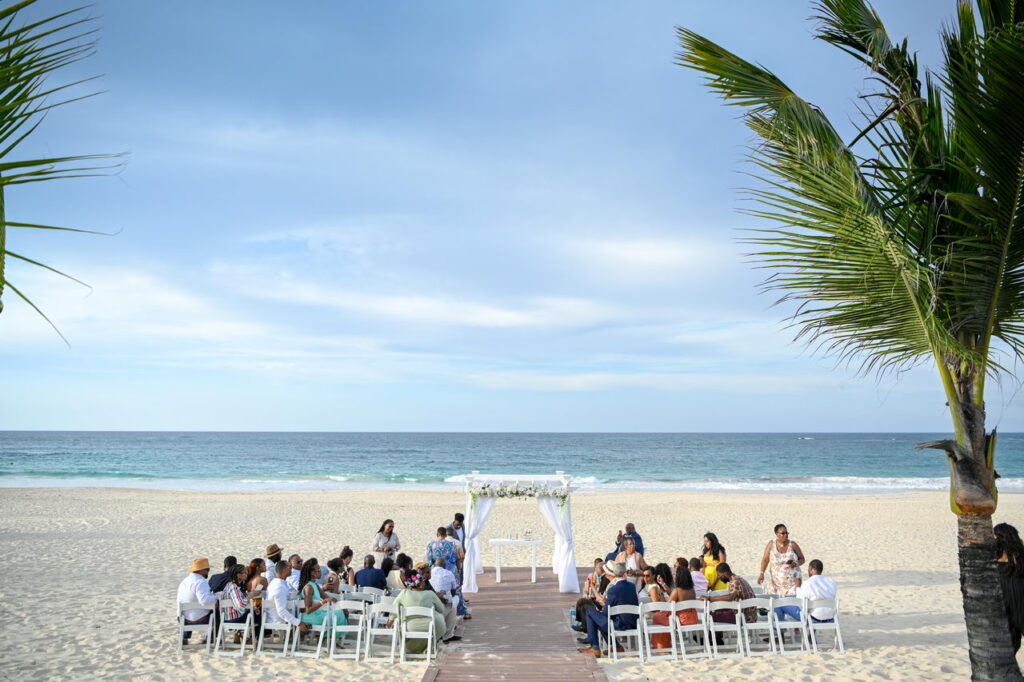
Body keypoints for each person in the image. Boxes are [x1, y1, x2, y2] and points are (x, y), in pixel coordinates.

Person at [578, 561, 639, 657]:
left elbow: (606, 613)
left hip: (620, 624)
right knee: (598, 619)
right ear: (624, 573)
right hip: (634, 622)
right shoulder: (632, 586)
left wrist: (602, 607)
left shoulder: (613, 589)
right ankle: (617, 647)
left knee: (590, 613)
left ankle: (595, 647)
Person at [392, 569, 446, 654]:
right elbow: (441, 609)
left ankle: (417, 648)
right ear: (420, 584)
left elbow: (393, 608)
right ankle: (430, 647)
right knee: (439, 617)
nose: (424, 582)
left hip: (408, 629)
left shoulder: (404, 593)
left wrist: (390, 620)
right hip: (428, 629)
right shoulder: (430, 594)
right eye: (423, 580)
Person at [651, 563, 699, 650]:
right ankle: (663, 645)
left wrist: (661, 595)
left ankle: (661, 646)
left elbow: (668, 606)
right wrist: (663, 584)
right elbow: (675, 596)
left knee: (657, 617)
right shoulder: (692, 591)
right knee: (663, 618)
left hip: (681, 621)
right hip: (693, 619)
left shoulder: (677, 590)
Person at [996, 522, 1024, 653]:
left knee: (1011, 642)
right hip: (1016, 599)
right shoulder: (1020, 555)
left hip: (1009, 601)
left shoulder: (996, 555)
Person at [177, 557, 218, 644]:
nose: (208, 571)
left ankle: (184, 637)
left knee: (190, 609)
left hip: (183, 620)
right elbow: (204, 601)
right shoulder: (201, 581)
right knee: (218, 611)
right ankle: (210, 638)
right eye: (207, 569)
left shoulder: (184, 582)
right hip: (199, 619)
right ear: (201, 570)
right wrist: (217, 598)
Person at [298, 558, 345, 630]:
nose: (321, 572)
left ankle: (332, 638)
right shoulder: (309, 587)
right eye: (319, 570)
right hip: (311, 617)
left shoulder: (315, 585)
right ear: (312, 572)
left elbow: (326, 597)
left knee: (341, 611)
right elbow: (308, 610)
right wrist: (323, 602)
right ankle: (332, 639)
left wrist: (339, 604)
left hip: (317, 614)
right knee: (338, 614)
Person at [759, 523, 804, 596]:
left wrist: (795, 563)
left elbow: (802, 559)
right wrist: (761, 573)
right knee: (776, 604)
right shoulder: (771, 544)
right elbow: (765, 560)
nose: (786, 535)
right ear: (776, 534)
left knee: (792, 603)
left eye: (787, 533)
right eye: (783, 533)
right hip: (776, 583)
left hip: (793, 583)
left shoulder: (792, 544)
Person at [265, 560, 309, 633]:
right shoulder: (279, 587)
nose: (292, 570)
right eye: (290, 567)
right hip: (278, 620)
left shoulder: (275, 582)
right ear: (284, 570)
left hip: (274, 617)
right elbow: (281, 612)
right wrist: (298, 623)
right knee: (310, 617)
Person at [430, 557, 464, 642]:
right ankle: (448, 635)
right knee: (454, 602)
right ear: (444, 565)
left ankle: (444, 632)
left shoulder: (429, 573)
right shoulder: (449, 573)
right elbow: (453, 591)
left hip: (431, 603)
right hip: (441, 605)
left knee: (450, 602)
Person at [245, 558, 267, 623]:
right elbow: (257, 592)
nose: (266, 566)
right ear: (258, 568)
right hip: (259, 609)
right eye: (264, 564)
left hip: (250, 608)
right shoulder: (262, 580)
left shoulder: (248, 580)